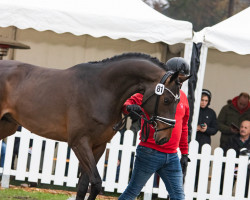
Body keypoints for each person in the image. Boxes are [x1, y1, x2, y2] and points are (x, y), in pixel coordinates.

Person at [118, 57, 190, 200]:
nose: (180, 83)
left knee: (179, 197)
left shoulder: (183, 97)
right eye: (179, 79)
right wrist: (129, 107)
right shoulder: (154, 91)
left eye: (183, 80)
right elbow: (127, 103)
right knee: (133, 192)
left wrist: (185, 153)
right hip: (149, 152)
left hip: (172, 156)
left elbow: (184, 126)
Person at [195, 89, 218, 190]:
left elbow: (215, 129)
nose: (203, 102)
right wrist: (195, 128)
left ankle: (198, 189)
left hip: (204, 143)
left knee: (202, 169)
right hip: (192, 142)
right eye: (201, 100)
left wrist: (206, 129)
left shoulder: (211, 112)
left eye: (206, 100)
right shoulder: (193, 109)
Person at [224, 120, 250, 197]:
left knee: (246, 182)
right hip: (232, 167)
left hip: (247, 169)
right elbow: (226, 153)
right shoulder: (232, 139)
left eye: (246, 127)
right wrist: (234, 166)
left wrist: (242, 167)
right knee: (225, 177)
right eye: (241, 127)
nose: (243, 129)